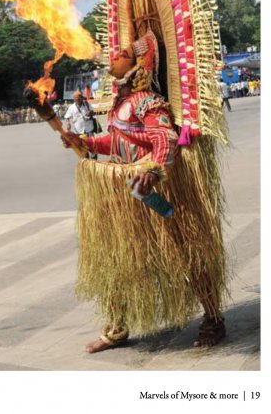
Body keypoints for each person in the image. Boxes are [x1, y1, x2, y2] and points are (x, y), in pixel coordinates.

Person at [61, 29, 227, 353]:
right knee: (117, 261)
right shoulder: (118, 104)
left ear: (140, 65)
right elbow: (117, 141)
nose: (114, 56)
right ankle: (117, 328)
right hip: (123, 197)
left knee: (188, 254)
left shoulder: (148, 102)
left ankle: (214, 318)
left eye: (122, 54)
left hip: (150, 194)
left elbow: (163, 140)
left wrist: (154, 170)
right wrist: (86, 142)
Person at [63, 90, 96, 158]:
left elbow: (93, 112)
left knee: (92, 144)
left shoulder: (87, 104)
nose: (77, 100)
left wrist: (90, 113)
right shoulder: (71, 107)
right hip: (79, 130)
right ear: (74, 99)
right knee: (82, 146)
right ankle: (86, 159)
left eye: (79, 98)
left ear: (81, 98)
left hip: (89, 129)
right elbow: (67, 117)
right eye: (76, 99)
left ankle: (94, 159)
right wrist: (68, 124)